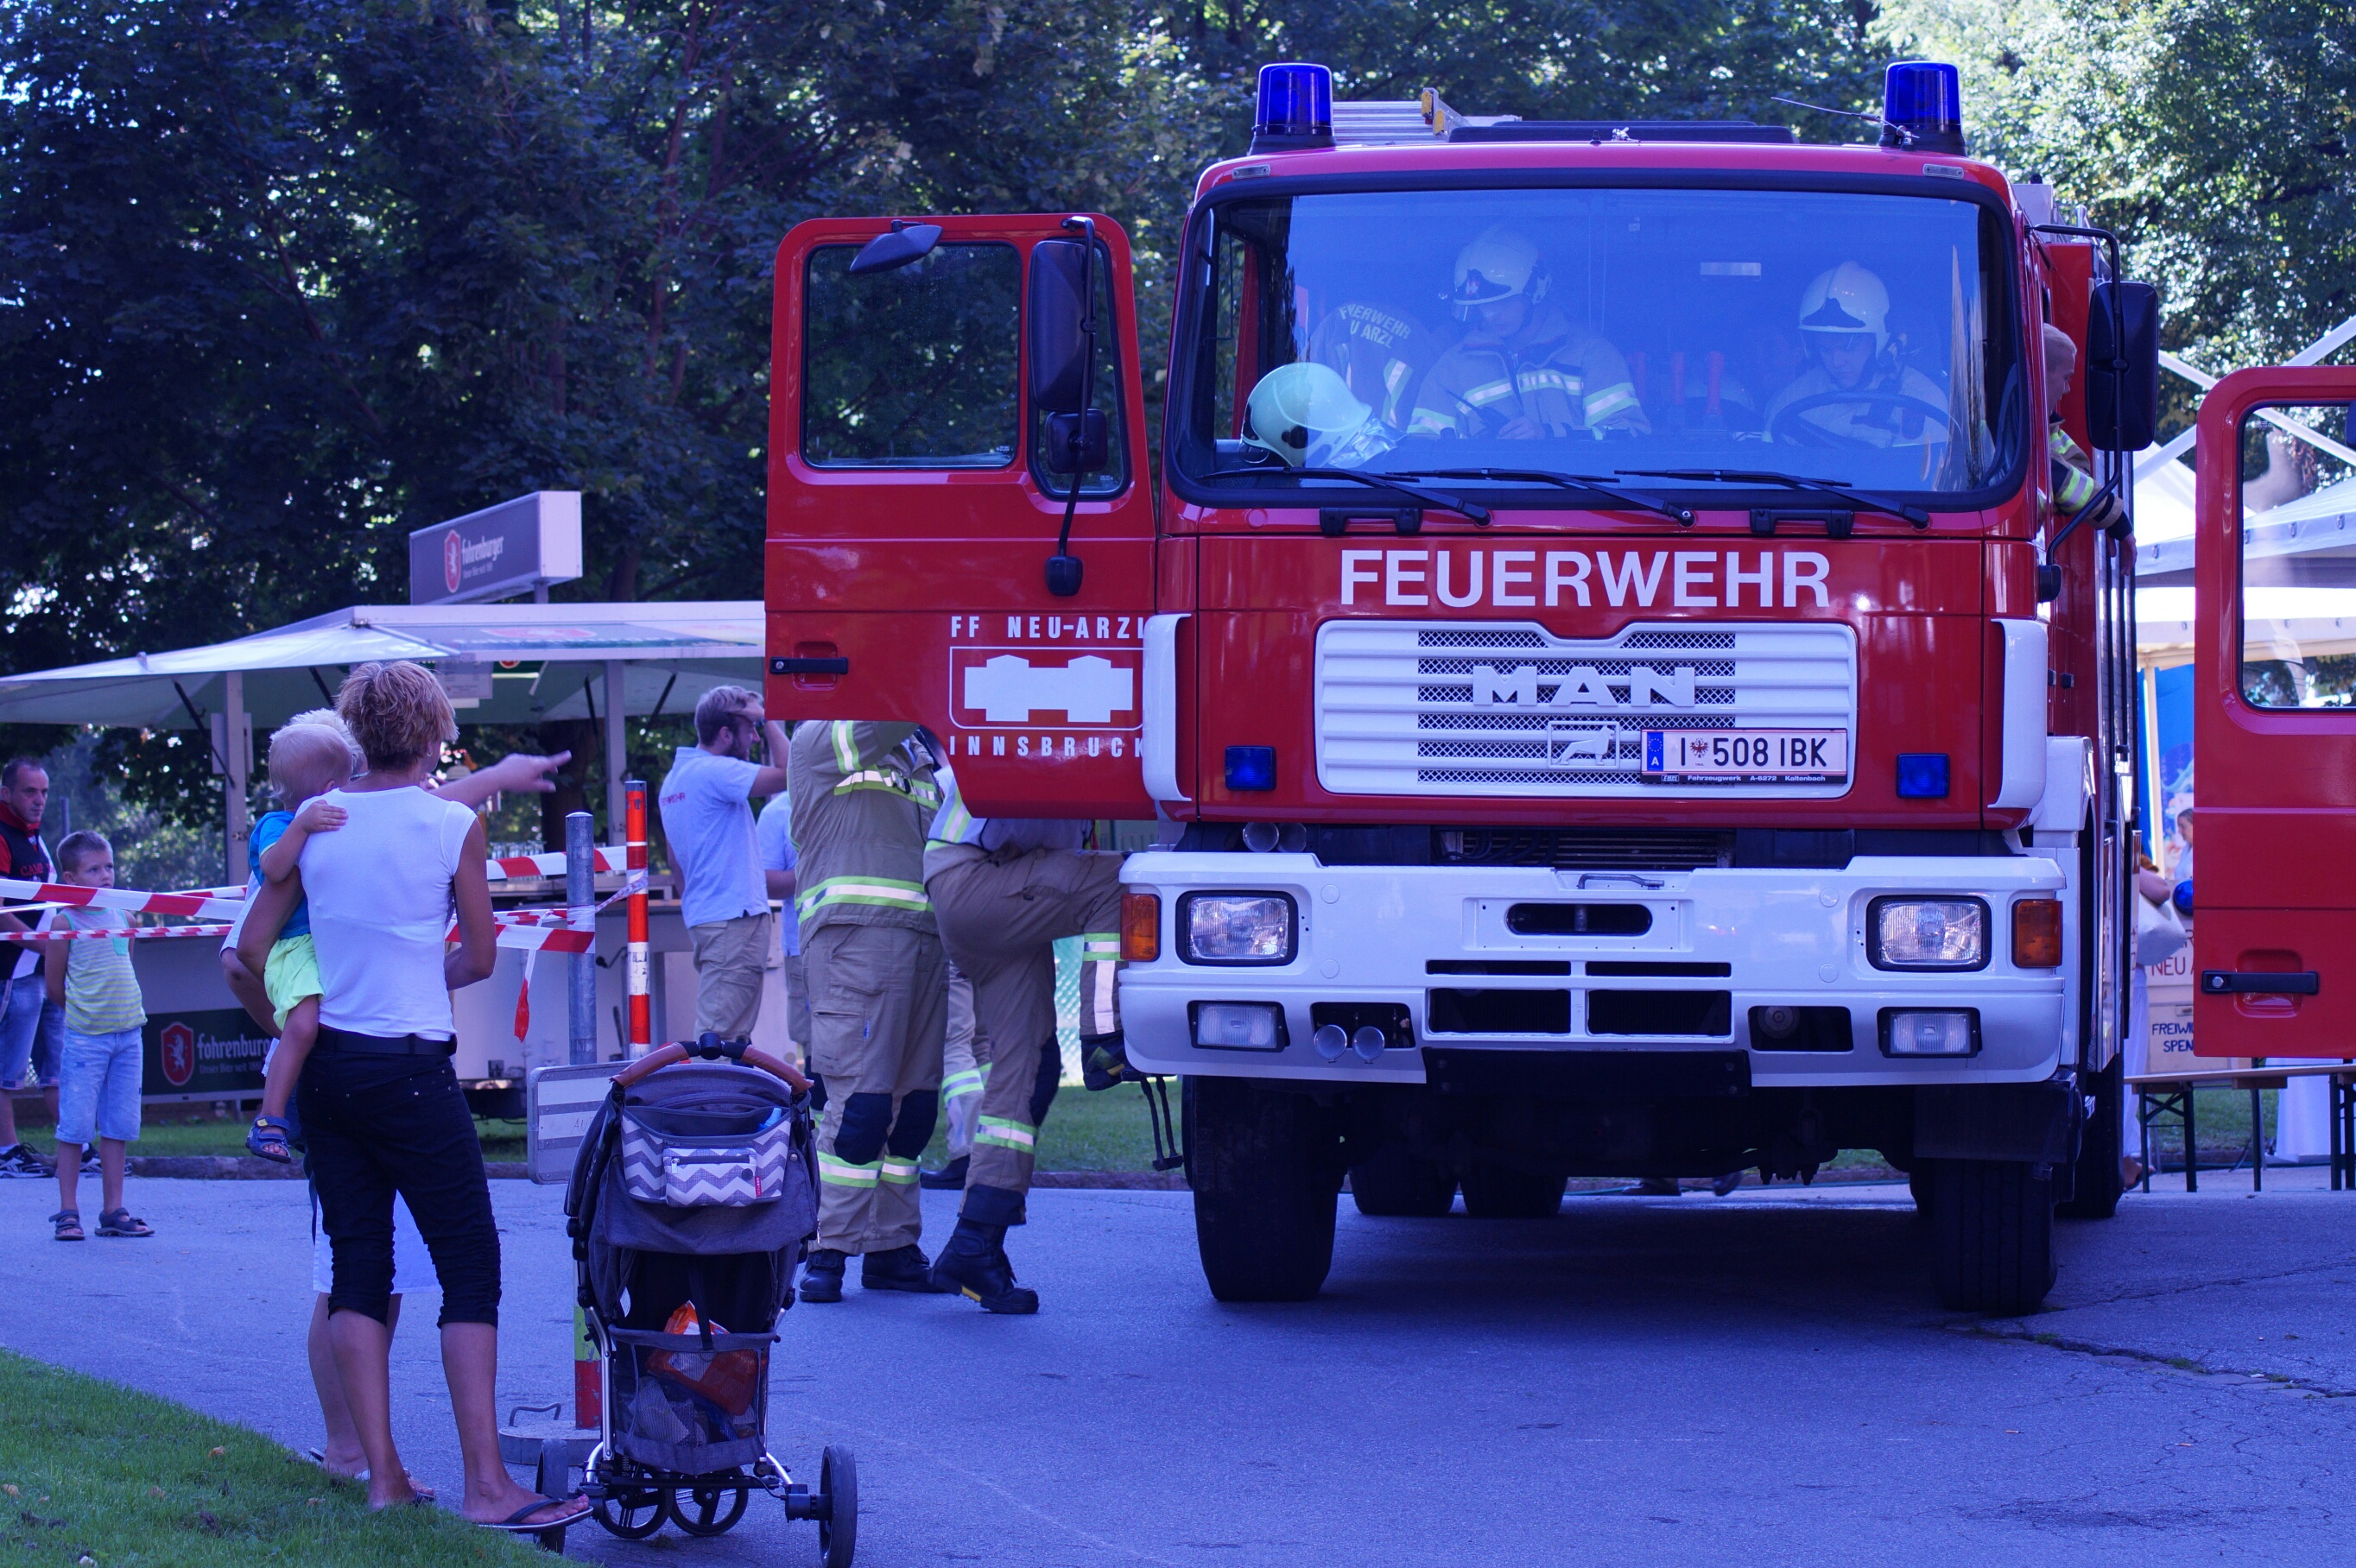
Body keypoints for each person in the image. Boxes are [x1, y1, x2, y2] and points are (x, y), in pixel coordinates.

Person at [237, 661, 586, 1532]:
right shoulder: (448, 823)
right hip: (411, 1066)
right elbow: (475, 953)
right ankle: (486, 1483)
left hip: (330, 1074)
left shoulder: (317, 822)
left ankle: (384, 1473)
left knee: (359, 1266)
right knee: (468, 1264)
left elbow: (248, 946)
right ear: (432, 734)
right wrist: (412, 974)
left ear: (359, 732)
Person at [922, 774, 1132, 1313]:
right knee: (1121, 881)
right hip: (977, 881)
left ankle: (975, 1244)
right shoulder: (1069, 740)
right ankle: (1104, 1036)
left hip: (980, 894)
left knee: (1030, 1070)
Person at [788, 719, 948, 1303]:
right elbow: (882, 717)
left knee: (912, 1109)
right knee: (861, 1102)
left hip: (923, 941)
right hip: (856, 942)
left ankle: (891, 1247)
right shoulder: (823, 737)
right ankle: (828, 1248)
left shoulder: (918, 754)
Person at [1405, 225, 1648, 441]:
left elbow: (1630, 439)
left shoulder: (1592, 355)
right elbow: (1422, 451)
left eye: (1502, 303)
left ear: (1536, 291)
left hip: (1581, 493)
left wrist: (1550, 434)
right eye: (1482, 306)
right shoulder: (1451, 368)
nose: (1490, 314)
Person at [238, 723, 355, 1163]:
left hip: (323, 943)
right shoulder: (277, 824)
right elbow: (273, 868)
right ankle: (270, 1120)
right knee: (301, 1027)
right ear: (328, 790)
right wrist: (303, 825)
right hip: (292, 946)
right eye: (347, 785)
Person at [660, 686, 789, 1040]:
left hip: (709, 918)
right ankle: (707, 1097)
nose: (753, 737)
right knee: (717, 1039)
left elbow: (675, 860)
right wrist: (771, 717)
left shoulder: (675, 780)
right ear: (725, 734)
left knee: (728, 1037)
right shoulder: (718, 771)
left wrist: (701, 903)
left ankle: (724, 1096)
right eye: (750, 728)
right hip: (735, 921)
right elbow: (793, 773)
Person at [44, 831, 150, 1241]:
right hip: (86, 1040)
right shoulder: (63, 922)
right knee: (74, 1126)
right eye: (94, 869)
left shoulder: (125, 917)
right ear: (69, 879)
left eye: (109, 866)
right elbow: (56, 987)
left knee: (119, 1125)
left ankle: (113, 1209)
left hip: (128, 1036)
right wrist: (86, 1018)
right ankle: (68, 1211)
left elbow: (128, 966)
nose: (106, 876)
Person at [1763, 262, 1948, 449]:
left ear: (1878, 338)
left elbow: (1918, 475)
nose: (1837, 361)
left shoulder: (1922, 402)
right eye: (1825, 349)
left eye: (1849, 347)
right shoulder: (1792, 400)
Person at [0, 757, 60, 1176]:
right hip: (12, 972)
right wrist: (46, 946)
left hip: (40, 971)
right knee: (6, 1069)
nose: (38, 800)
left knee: (55, 1063)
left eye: (43, 792)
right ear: (6, 793)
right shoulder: (2, 835)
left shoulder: (35, 837)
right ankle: (7, 1151)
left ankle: (74, 1145)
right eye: (29, 791)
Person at [2039, 323, 2127, 535]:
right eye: (2066, 378)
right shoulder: (2012, 431)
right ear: (2040, 372)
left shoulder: (2046, 429)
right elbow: (2052, 472)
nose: (2068, 389)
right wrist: (2115, 517)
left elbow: (2078, 474)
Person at [754, 787, 811, 1062]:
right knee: (812, 1040)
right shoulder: (778, 812)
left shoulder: (859, 795)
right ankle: (822, 1105)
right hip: (804, 946)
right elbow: (767, 882)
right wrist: (816, 868)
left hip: (864, 941)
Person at [921, 966, 990, 1190]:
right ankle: (994, 1147)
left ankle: (965, 1155)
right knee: (983, 1045)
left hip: (952, 945)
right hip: (987, 943)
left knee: (953, 1044)